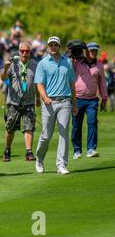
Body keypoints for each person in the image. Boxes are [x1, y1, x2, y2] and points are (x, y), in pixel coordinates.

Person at [34, 36, 77, 175]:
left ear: (60, 46)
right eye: (51, 45)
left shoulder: (68, 62)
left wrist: (74, 104)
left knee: (64, 133)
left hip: (65, 101)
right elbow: (39, 84)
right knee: (46, 135)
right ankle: (39, 158)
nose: (53, 47)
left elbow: (72, 83)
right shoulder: (43, 63)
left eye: (55, 45)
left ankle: (61, 165)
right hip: (49, 102)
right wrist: (44, 97)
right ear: (48, 47)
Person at [1, 42, 40, 162]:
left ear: (30, 52)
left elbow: (37, 83)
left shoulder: (35, 65)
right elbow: (3, 78)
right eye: (22, 51)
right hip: (13, 102)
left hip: (29, 101)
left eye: (27, 51)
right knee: (10, 128)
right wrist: (6, 67)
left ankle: (29, 152)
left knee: (29, 127)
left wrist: (38, 98)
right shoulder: (13, 64)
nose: (24, 53)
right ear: (19, 52)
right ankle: (7, 150)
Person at [71, 42, 108, 159]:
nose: (94, 52)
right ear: (86, 51)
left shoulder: (99, 65)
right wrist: (71, 54)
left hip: (92, 100)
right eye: (91, 50)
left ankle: (91, 149)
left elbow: (102, 83)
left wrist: (104, 98)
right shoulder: (76, 63)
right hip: (77, 99)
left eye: (95, 50)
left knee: (92, 123)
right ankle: (77, 150)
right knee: (76, 125)